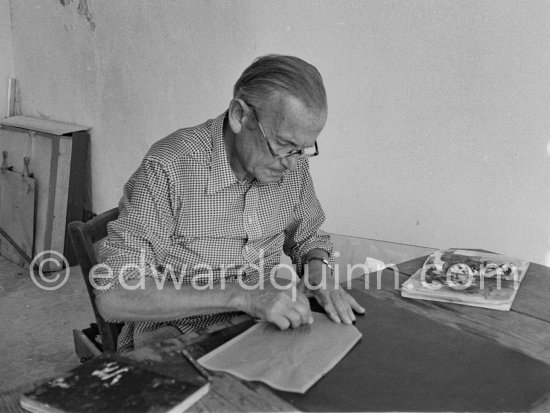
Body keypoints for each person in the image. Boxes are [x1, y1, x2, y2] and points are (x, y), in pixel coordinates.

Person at [95, 54, 365, 353]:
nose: (291, 163)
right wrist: (244, 296)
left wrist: (318, 267)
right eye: (283, 145)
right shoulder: (171, 166)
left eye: (302, 149)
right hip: (175, 335)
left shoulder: (292, 164)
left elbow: (309, 236)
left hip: (263, 324)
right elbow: (114, 295)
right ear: (240, 116)